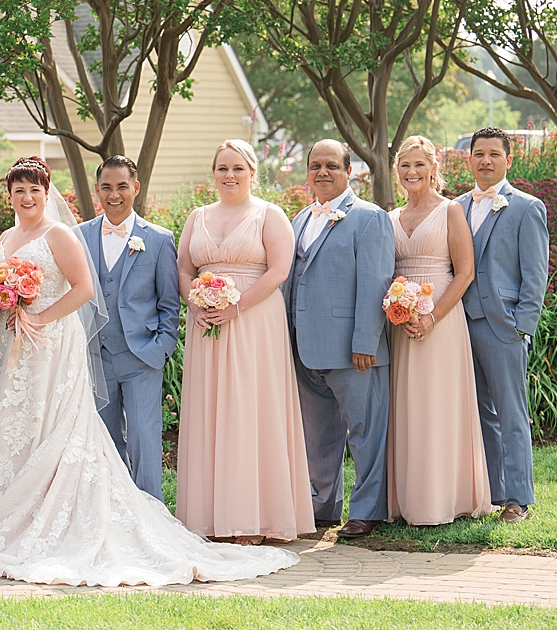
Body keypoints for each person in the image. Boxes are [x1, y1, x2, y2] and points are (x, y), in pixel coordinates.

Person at [0, 157, 299, 587]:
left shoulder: (144, 237)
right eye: (18, 190)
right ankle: (22, 516)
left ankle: (144, 516)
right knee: (32, 431)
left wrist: (158, 349)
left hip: (108, 352)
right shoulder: (23, 237)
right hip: (37, 349)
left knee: (137, 440)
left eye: (35, 190)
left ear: (135, 187)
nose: (27, 198)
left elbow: (154, 296)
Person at [176, 141, 314, 543]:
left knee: (251, 408)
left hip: (254, 323)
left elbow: (279, 271)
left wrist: (237, 307)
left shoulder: (269, 215)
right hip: (207, 325)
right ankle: (209, 517)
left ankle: (255, 516)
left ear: (253, 172)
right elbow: (184, 268)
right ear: (213, 173)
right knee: (211, 411)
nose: (230, 175)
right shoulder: (196, 217)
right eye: (222, 168)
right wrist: (196, 302)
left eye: (238, 168)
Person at [283, 140, 394, 539]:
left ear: (349, 171)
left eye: (332, 165)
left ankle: (368, 510)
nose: (323, 172)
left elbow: (376, 281)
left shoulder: (369, 218)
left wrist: (366, 340)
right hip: (305, 347)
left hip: (354, 349)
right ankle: (322, 505)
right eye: (315, 166)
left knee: (364, 432)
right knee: (318, 436)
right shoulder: (298, 219)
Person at [388, 137, 494, 525]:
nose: (412, 172)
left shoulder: (450, 211)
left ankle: (446, 499)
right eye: (405, 165)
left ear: (434, 168)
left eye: (419, 165)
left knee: (439, 406)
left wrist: (432, 317)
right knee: (408, 407)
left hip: (442, 321)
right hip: (401, 323)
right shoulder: (390, 217)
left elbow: (464, 272)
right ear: (396, 170)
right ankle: (409, 500)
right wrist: (398, 310)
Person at [455, 127, 550, 522]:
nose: (486, 161)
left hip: (502, 326)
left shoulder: (527, 208)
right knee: (480, 414)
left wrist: (521, 326)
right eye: (479, 154)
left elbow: (536, 275)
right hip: (459, 325)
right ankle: (493, 492)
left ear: (509, 160)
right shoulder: (456, 207)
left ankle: (518, 499)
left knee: (511, 412)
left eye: (494, 154)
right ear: (470, 159)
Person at [75, 156, 179, 501]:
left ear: (135, 188)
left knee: (145, 440)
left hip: (142, 357)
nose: (114, 194)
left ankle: (152, 515)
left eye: (122, 186)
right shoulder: (80, 236)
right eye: (107, 187)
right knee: (104, 440)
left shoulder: (160, 240)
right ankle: (114, 515)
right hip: (95, 358)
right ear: (97, 191)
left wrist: (161, 348)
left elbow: (169, 302)